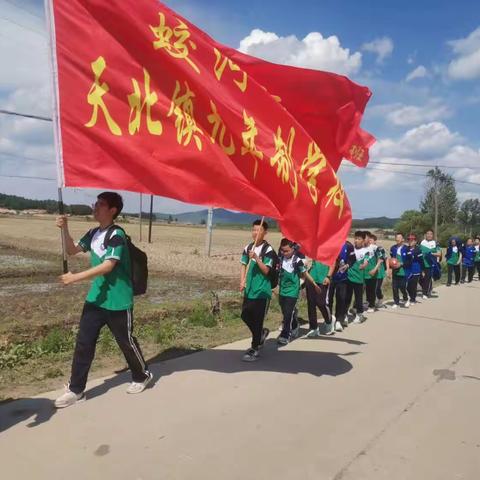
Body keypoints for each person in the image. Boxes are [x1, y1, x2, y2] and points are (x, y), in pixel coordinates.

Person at [54, 192, 152, 409]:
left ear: (112, 210)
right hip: (96, 299)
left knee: (126, 341)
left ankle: (142, 375)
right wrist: (65, 229)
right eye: (95, 203)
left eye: (100, 204)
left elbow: (109, 265)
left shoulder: (117, 234)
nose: (95, 207)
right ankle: (76, 389)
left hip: (118, 300)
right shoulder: (93, 233)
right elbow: (71, 250)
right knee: (84, 343)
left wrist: (75, 278)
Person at [240, 219, 275, 362]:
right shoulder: (248, 247)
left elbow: (267, 270)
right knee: (245, 315)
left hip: (262, 291)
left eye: (259, 230)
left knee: (258, 319)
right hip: (250, 289)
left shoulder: (268, 250)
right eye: (254, 230)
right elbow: (243, 264)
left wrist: (256, 258)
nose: (255, 233)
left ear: (265, 232)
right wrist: (242, 280)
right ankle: (260, 334)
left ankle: (254, 348)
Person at [277, 239, 320, 344]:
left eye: (287, 251)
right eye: (283, 251)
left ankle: (285, 334)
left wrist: (314, 284)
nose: (285, 253)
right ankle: (295, 325)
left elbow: (305, 273)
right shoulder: (280, 259)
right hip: (282, 290)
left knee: (288, 313)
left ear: (292, 249)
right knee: (285, 312)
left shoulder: (297, 261)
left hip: (293, 291)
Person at [328, 241, 355, 332]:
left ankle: (339, 320)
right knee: (329, 299)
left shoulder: (348, 245)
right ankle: (329, 319)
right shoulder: (329, 243)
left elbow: (353, 259)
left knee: (341, 298)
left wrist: (347, 265)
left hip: (343, 277)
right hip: (329, 277)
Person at [305, 257, 335, 337]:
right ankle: (314, 328)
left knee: (321, 303)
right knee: (311, 304)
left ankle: (329, 320)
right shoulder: (314, 248)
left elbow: (333, 263)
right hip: (311, 278)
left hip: (323, 279)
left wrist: (328, 276)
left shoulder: (329, 248)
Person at [345, 231, 368, 323]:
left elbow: (366, 261)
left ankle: (359, 315)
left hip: (358, 278)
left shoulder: (365, 251)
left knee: (358, 298)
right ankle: (344, 314)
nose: (356, 240)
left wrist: (364, 265)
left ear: (363, 240)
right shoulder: (351, 249)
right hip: (349, 277)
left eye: (359, 239)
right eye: (355, 238)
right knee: (347, 297)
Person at [364, 232, 384, 313]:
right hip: (363, 273)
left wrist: (375, 269)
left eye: (364, 237)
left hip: (372, 273)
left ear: (368, 238)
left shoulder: (375, 248)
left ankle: (371, 306)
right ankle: (366, 303)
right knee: (364, 290)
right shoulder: (361, 248)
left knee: (371, 290)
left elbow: (381, 259)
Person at [420, 229, 441, 298]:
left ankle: (425, 293)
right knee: (420, 278)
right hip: (421, 264)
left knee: (427, 278)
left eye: (431, 234)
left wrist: (431, 254)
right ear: (425, 235)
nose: (429, 235)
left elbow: (439, 254)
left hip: (430, 264)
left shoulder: (435, 243)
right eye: (427, 233)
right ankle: (427, 288)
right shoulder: (422, 243)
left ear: (433, 235)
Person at [390, 233, 408, 309]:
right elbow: (391, 259)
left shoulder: (407, 248)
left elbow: (409, 260)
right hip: (395, 271)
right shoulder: (393, 248)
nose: (397, 239)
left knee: (402, 286)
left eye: (399, 237)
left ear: (403, 239)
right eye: (396, 237)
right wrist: (391, 267)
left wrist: (401, 264)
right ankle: (396, 302)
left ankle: (406, 298)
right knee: (394, 287)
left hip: (403, 271)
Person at [404, 233, 423, 305]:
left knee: (413, 285)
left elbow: (421, 261)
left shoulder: (418, 250)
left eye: (412, 240)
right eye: (409, 239)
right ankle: (409, 296)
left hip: (416, 269)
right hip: (408, 269)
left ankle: (413, 299)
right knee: (408, 286)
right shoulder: (406, 249)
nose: (410, 241)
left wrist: (422, 270)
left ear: (415, 241)